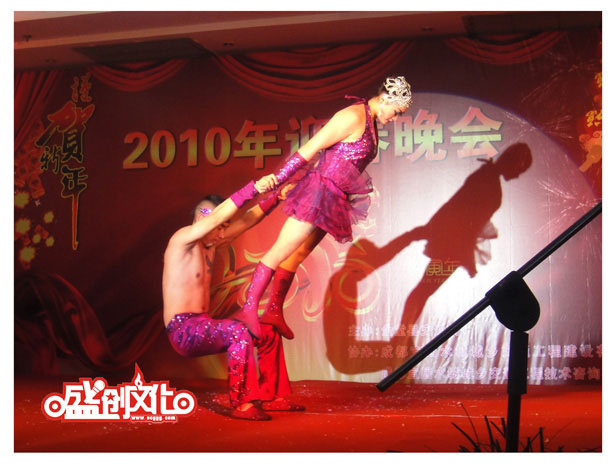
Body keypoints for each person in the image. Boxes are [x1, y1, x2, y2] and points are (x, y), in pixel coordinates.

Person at [231, 76, 413, 340]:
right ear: (384, 99)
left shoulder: (371, 122)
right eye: (396, 112)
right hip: (318, 192)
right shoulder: (352, 116)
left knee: (299, 253)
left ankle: (273, 311)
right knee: (280, 250)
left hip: (334, 198)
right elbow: (310, 149)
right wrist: (278, 179)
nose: (395, 119)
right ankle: (248, 310)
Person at [163, 175, 281, 421]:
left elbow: (246, 221)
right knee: (238, 332)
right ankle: (243, 403)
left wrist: (276, 198)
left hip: (203, 323)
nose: (222, 234)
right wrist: (253, 189)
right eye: (220, 227)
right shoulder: (182, 239)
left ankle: (271, 395)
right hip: (183, 330)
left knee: (267, 331)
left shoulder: (210, 244)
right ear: (203, 219)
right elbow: (214, 218)